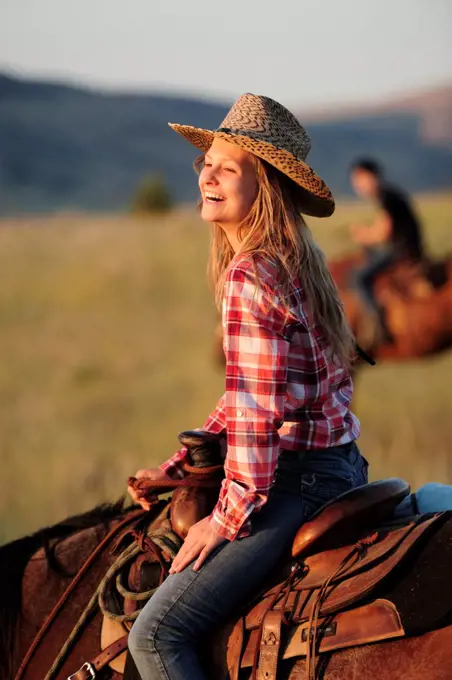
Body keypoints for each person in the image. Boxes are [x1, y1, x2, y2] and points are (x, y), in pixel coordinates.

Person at [127, 93, 366, 680]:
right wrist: (183, 464)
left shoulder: (250, 274)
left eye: (227, 167)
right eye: (206, 162)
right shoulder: (297, 256)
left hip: (294, 481)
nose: (206, 174)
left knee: (156, 635)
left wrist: (224, 519)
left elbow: (258, 417)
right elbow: (250, 393)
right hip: (342, 466)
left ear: (266, 185)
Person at [349, 159, 424, 341]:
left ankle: (376, 321)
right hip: (402, 246)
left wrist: (364, 235)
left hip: (401, 250)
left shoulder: (386, 196)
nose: (357, 185)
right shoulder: (387, 195)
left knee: (359, 277)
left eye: (360, 179)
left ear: (371, 177)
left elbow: (384, 232)